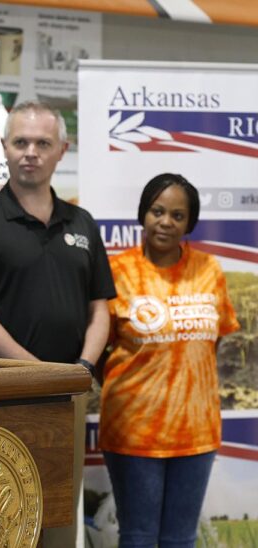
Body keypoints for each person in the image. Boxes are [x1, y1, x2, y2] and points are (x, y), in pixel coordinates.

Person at [0, 101, 116, 546]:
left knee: (59, 519)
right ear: (3, 147)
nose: (31, 152)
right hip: (2, 395)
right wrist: (40, 375)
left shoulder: (81, 223)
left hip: (69, 394)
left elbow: (100, 308)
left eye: (43, 143)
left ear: (62, 150)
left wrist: (80, 368)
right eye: (20, 142)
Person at [100, 174, 239, 547]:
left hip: (196, 434)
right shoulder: (117, 271)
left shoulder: (209, 270)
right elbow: (98, 347)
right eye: (157, 211)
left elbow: (213, 341)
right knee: (139, 537)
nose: (166, 221)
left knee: (181, 539)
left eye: (177, 215)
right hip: (133, 431)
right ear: (143, 214)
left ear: (188, 223)